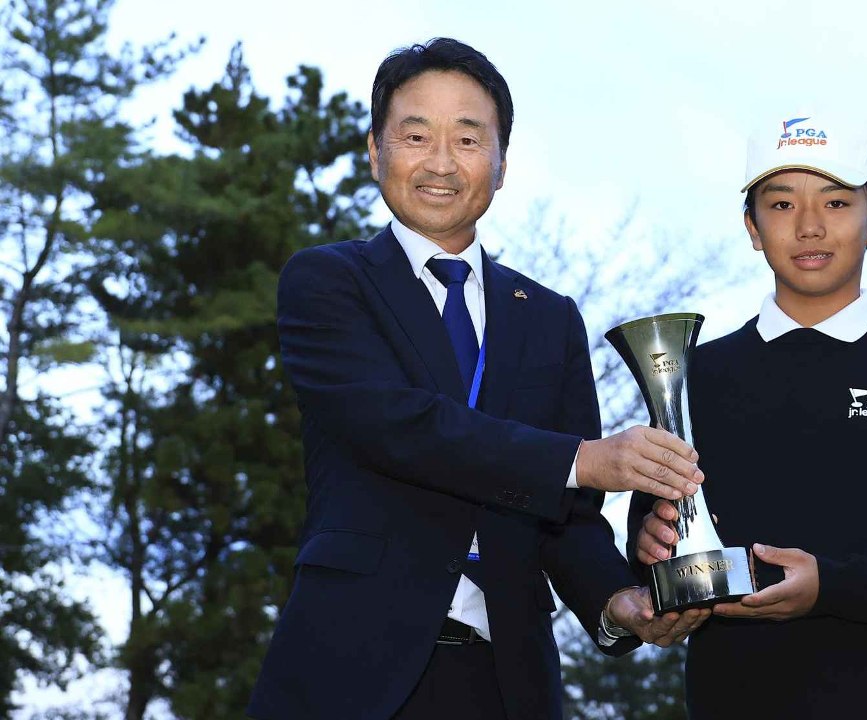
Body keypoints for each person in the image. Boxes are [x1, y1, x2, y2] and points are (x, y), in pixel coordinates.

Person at [248, 38, 709, 720]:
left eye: (467, 139)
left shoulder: (549, 318)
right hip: (349, 668)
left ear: (501, 164)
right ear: (375, 151)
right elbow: (394, 425)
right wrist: (584, 459)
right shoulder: (327, 281)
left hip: (508, 680)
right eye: (415, 136)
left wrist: (619, 603)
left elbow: (570, 517)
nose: (441, 162)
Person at [628, 111, 867, 719]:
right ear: (753, 228)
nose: (809, 226)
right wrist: (650, 540)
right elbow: (653, 524)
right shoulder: (695, 373)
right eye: (782, 204)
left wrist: (833, 585)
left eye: (836, 203)